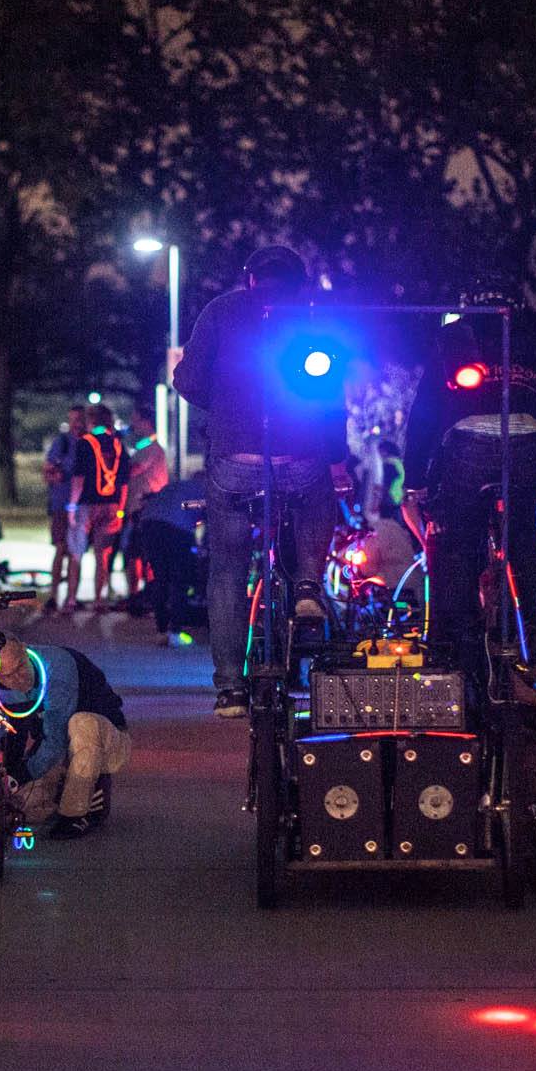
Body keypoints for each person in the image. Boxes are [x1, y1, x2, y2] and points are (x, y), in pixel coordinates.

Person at [174, 245, 347, 718]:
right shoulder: (313, 319)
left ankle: (229, 689)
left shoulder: (221, 311)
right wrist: (338, 458)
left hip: (235, 457)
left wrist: (227, 405)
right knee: (316, 498)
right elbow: (333, 396)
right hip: (299, 453)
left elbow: (186, 381)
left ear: (251, 279)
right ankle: (309, 582)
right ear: (299, 283)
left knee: (227, 570)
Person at [402, 277, 536, 678]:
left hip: (469, 446)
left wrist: (415, 478)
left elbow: (424, 415)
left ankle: (457, 635)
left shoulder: (454, 341)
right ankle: (534, 621)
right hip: (529, 445)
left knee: (460, 539)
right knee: (521, 525)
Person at [0, 633, 130, 839]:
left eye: (20, 667)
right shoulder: (0, 687)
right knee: (22, 808)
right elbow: (15, 734)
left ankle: (76, 813)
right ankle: (73, 789)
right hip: (59, 749)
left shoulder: (56, 668)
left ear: (25, 649)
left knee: (82, 724)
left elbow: (56, 739)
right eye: (7, 676)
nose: (18, 678)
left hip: (106, 739)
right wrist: (7, 781)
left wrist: (21, 775)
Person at [67, 406, 130, 605]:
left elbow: (79, 478)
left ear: (91, 420)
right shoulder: (118, 445)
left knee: (76, 552)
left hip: (87, 504)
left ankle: (70, 599)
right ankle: (99, 600)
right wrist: (120, 509)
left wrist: (72, 506)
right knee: (102, 554)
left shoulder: (85, 443)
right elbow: (124, 482)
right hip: (111, 505)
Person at [135, 472, 204, 647]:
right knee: (178, 580)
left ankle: (162, 630)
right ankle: (175, 631)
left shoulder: (175, 485)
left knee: (160, 578)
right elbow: (194, 509)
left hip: (149, 525)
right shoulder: (204, 490)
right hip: (176, 529)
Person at [120, 408, 170, 597]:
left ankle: (143, 594)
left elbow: (131, 470)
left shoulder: (152, 449)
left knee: (136, 553)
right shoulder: (145, 448)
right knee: (138, 552)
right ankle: (143, 594)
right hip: (140, 509)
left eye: (136, 421)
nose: (133, 426)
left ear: (147, 422)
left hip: (144, 509)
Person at [43, 405, 88, 610]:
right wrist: (55, 475)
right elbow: (48, 472)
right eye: (72, 419)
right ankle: (53, 596)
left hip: (82, 505)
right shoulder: (61, 443)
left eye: (79, 419)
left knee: (76, 553)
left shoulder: (89, 443)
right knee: (61, 549)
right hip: (61, 503)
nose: (76, 424)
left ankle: (71, 597)